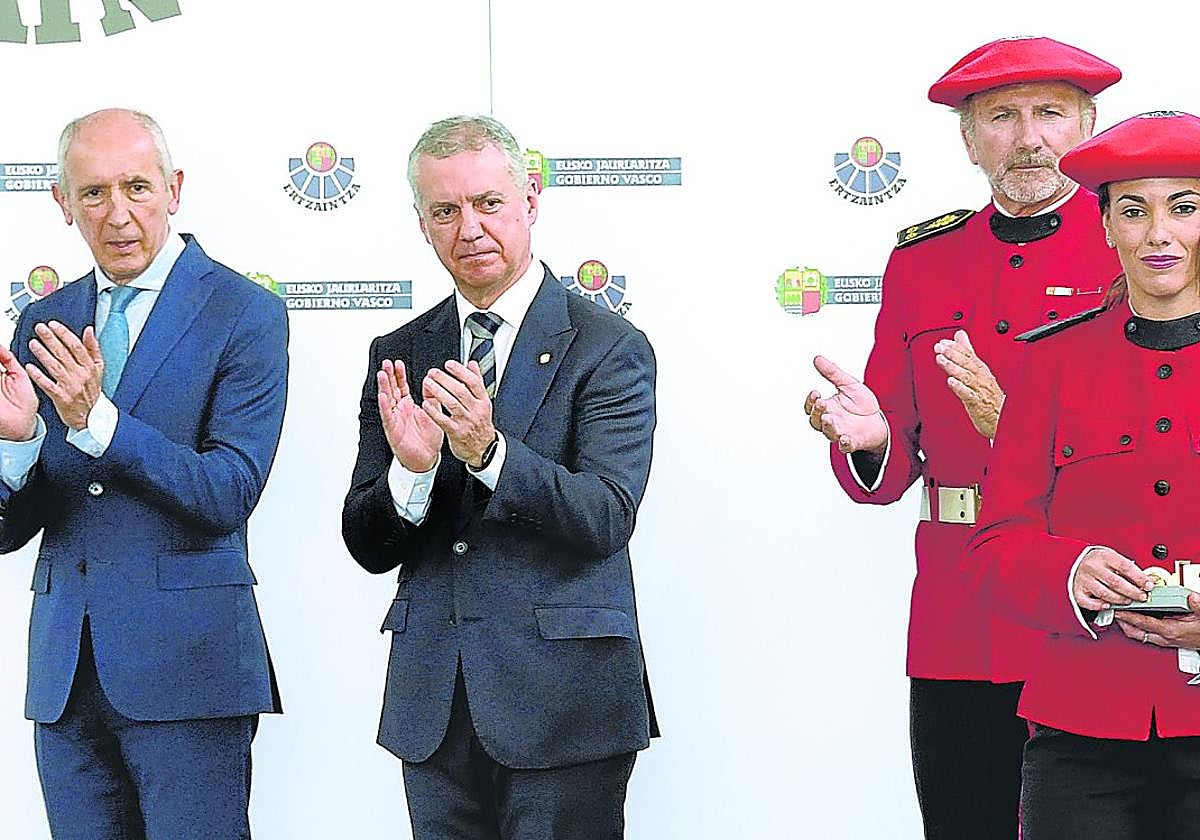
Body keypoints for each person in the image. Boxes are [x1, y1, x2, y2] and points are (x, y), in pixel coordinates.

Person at [802, 37, 1122, 839]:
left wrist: (1016, 428)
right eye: (1001, 117)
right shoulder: (923, 259)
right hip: (961, 611)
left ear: (1088, 124)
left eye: (1050, 113)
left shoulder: (1134, 245)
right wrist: (871, 437)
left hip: (1088, 601)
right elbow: (894, 444)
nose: (1028, 137)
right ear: (969, 140)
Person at [341, 115, 657, 839]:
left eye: (488, 203)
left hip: (566, 708)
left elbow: (605, 516)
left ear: (531, 199)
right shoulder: (399, 349)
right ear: (421, 224)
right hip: (434, 706)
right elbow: (367, 542)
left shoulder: (609, 347)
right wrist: (411, 477)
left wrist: (489, 454)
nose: (470, 228)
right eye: (445, 211)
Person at [0, 108, 289, 839]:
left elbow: (227, 492)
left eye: (136, 186)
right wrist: (18, 445)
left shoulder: (244, 311)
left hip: (191, 672)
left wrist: (99, 424)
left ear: (175, 188)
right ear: (63, 204)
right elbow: (10, 529)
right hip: (66, 677)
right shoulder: (43, 318)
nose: (118, 214)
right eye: (93, 193)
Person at [967, 110, 1200, 840]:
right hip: (1082, 733)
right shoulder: (1052, 362)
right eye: (1132, 210)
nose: (1158, 233)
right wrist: (1068, 571)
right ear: (1105, 228)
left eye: (1185, 208)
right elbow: (997, 542)